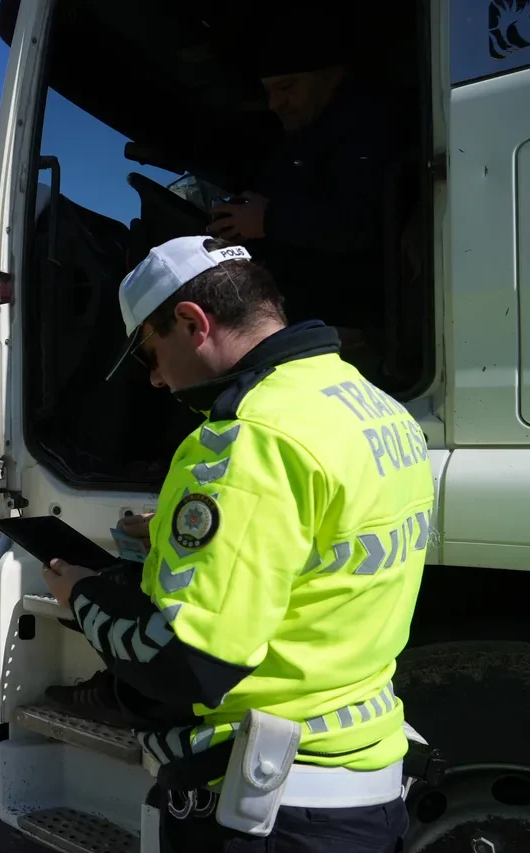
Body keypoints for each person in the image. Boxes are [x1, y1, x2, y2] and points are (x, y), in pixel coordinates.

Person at [40, 235, 434, 852]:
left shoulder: (244, 439)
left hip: (266, 808)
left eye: (151, 353)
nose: (156, 379)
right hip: (362, 789)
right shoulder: (373, 406)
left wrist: (81, 594)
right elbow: (317, 556)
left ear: (192, 322)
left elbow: (186, 665)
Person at [205, 26, 401, 344]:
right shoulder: (299, 140)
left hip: (341, 325)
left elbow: (365, 223)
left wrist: (268, 219)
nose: (275, 104)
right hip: (299, 323)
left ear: (333, 75)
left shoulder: (366, 127)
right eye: (269, 92)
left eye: (286, 86)